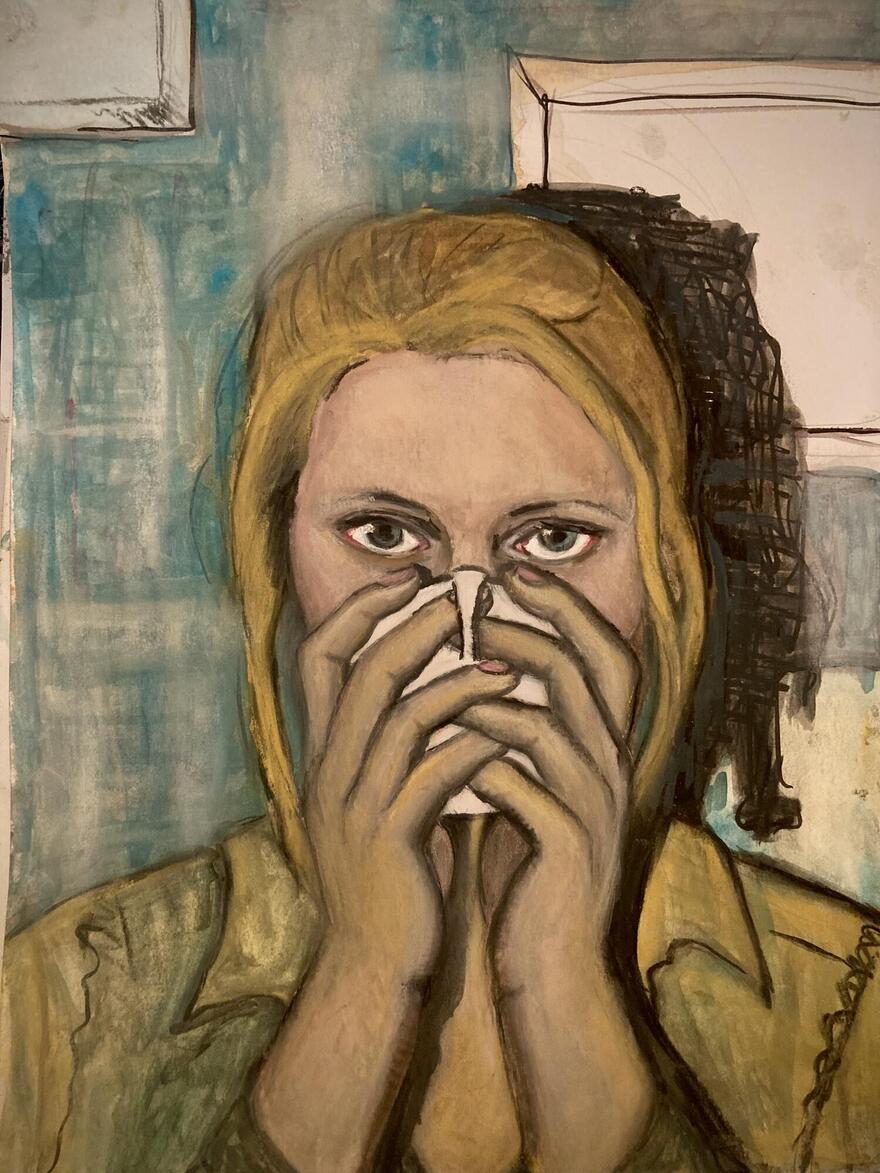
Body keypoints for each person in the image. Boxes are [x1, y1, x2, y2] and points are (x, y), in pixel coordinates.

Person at [2, 202, 878, 1173]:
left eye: (553, 539)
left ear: (661, 580)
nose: (469, 628)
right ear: (279, 562)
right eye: (383, 534)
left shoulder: (848, 1008)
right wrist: (363, 974)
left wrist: (563, 993)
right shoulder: (72, 998)